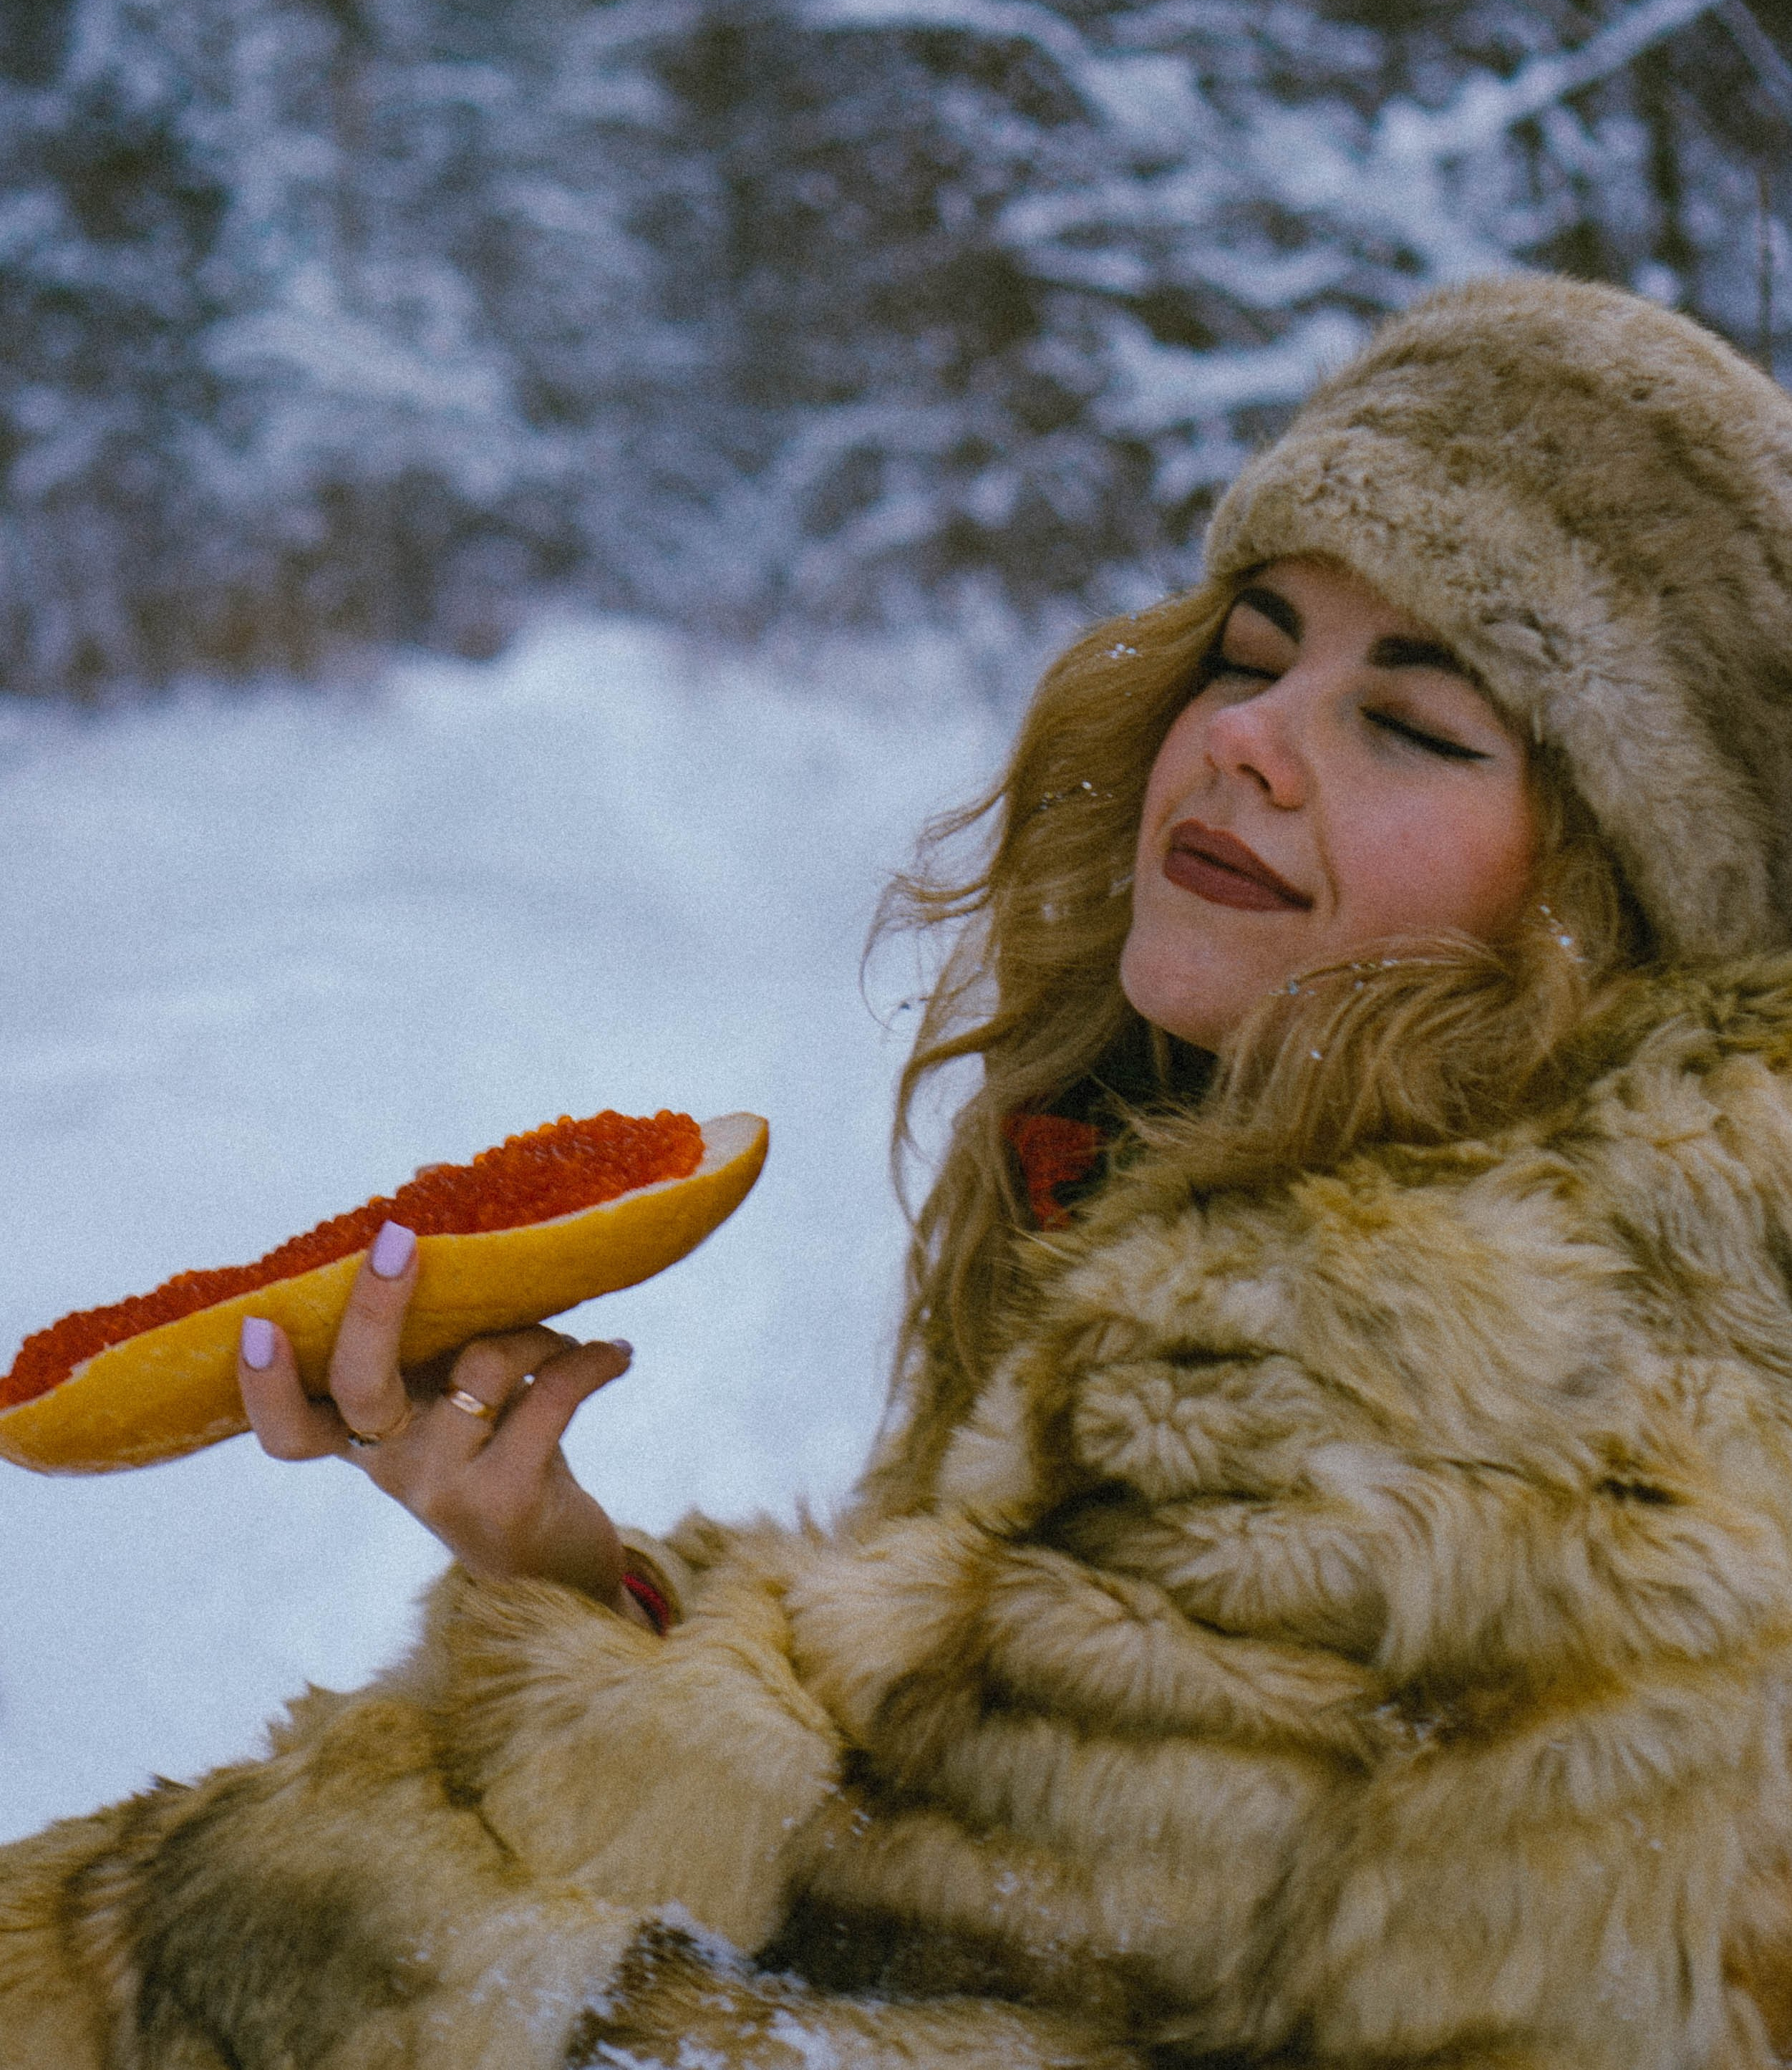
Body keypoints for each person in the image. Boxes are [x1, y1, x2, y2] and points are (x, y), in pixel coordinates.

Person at [9, 271, 1792, 2070]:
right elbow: (964, 1851)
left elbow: (828, 2009)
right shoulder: (1380, 1228)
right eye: (1252, 655)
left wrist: (145, 1954)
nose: (1247, 737)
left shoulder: (1444, 1378)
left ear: (1611, 894)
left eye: (1409, 722)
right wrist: (567, 1583)